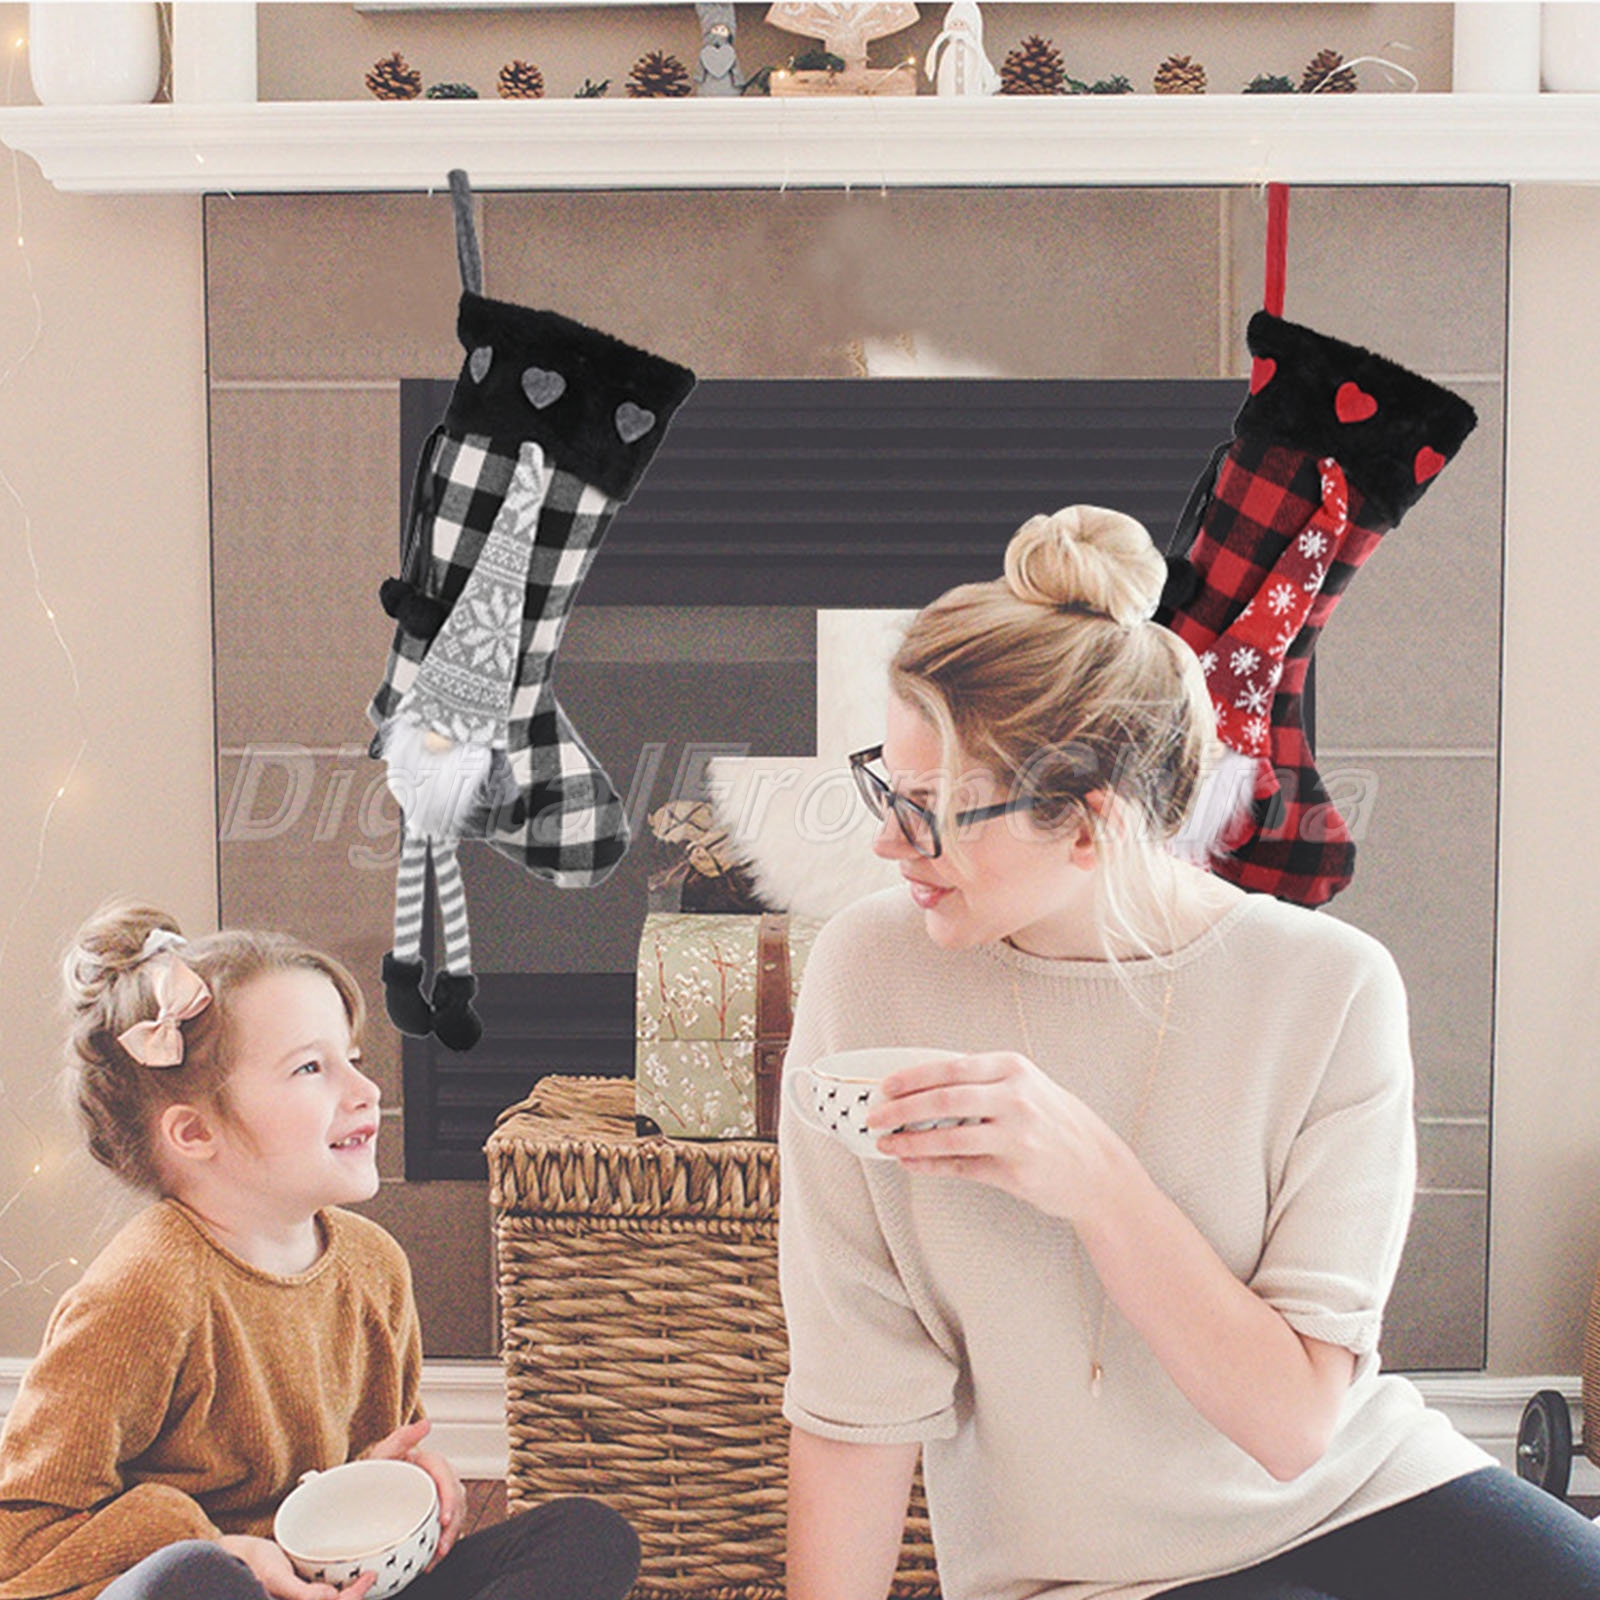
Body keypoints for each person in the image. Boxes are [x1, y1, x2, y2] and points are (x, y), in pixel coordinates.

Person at [778, 506, 1600, 1600]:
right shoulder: (868, 970)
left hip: (1360, 1490)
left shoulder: (1330, 988)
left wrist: (1097, 1181)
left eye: (933, 809)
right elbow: (856, 1392)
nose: (888, 839)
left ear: (1090, 824)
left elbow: (1295, 1427)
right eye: (889, 785)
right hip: (1092, 1569)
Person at [0, 903, 639, 1600]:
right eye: (310, 1067)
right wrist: (229, 1548)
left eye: (352, 1060)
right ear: (193, 1134)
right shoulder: (139, 1292)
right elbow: (21, 1539)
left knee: (589, 1535)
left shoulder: (373, 1263)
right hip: (217, 1584)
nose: (367, 1093)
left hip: (332, 1584)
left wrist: (397, 1476)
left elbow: (366, 1457)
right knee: (194, 1579)